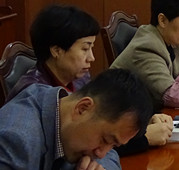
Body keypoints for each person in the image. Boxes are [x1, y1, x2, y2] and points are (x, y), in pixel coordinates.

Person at [8, 5, 173, 156]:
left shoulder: (79, 78)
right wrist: (144, 138)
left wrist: (137, 124)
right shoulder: (33, 94)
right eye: (85, 48)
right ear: (57, 50)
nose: (91, 58)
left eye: (91, 48)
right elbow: (84, 142)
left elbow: (100, 124)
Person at [0, 68, 153, 170]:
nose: (101, 153)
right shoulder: (15, 140)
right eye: (105, 140)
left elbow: (109, 157)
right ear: (83, 108)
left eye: (113, 145)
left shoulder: (67, 105)